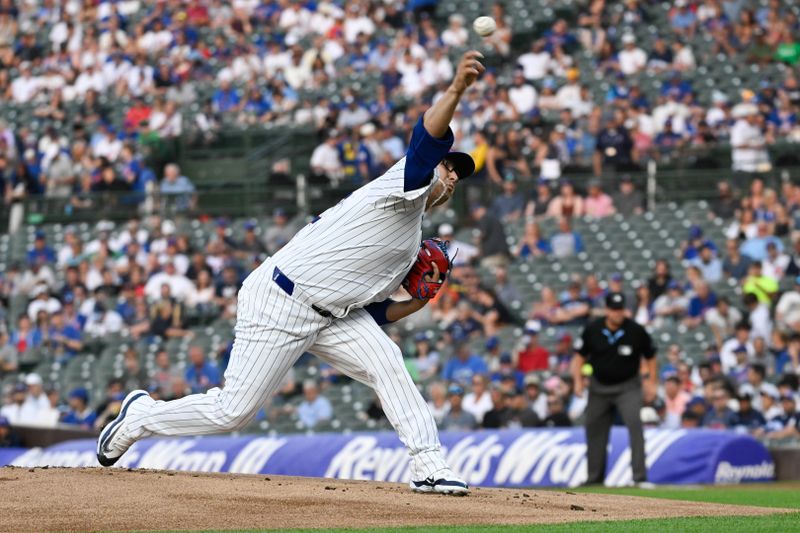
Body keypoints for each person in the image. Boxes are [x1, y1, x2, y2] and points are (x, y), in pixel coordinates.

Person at [96, 51, 488, 496]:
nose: (452, 176)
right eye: (449, 166)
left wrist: (415, 302)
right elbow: (425, 141)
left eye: (459, 173)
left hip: (332, 314)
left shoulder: (407, 247)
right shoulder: (402, 188)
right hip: (280, 298)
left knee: (389, 364)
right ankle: (141, 417)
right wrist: (455, 90)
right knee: (233, 412)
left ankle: (429, 465)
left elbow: (373, 312)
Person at [573, 292, 657, 486]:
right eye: (613, 309)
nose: (617, 313)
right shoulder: (593, 329)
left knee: (635, 426)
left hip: (628, 386)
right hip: (599, 387)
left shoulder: (635, 330)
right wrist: (577, 381)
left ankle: (639, 478)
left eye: (620, 309)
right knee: (594, 429)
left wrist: (651, 382)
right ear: (607, 309)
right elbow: (579, 356)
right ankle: (594, 479)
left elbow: (651, 356)